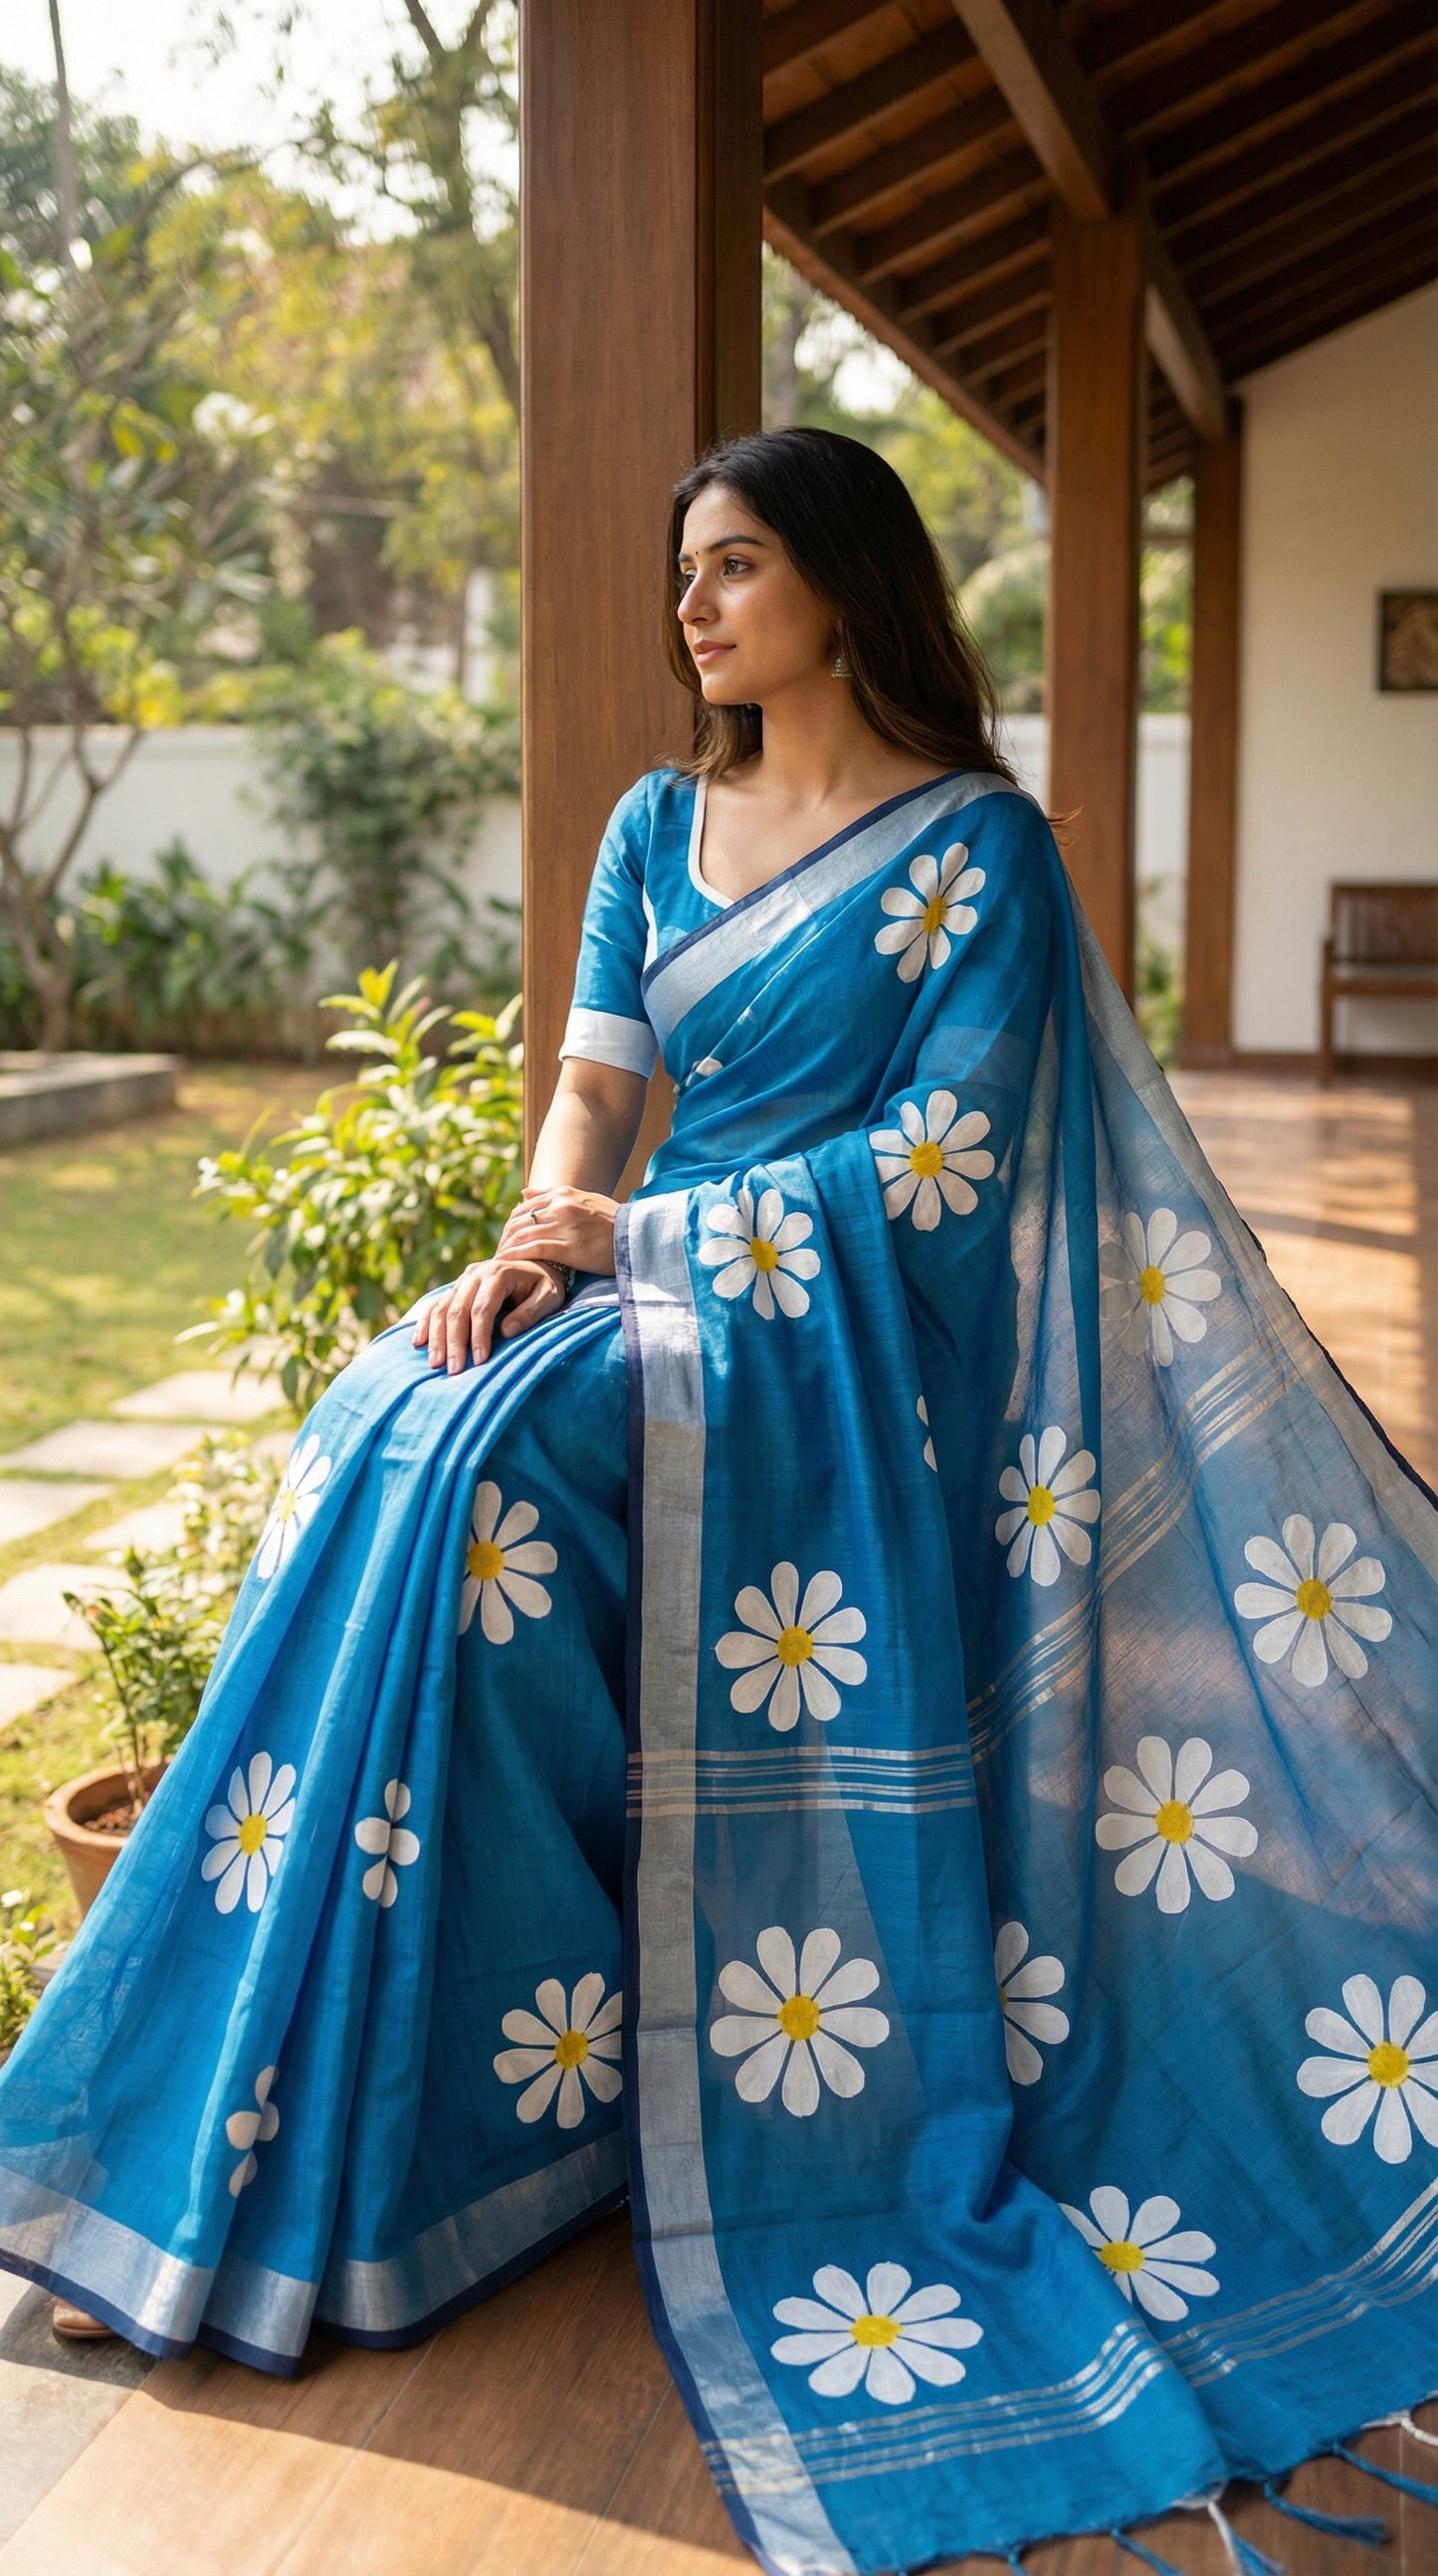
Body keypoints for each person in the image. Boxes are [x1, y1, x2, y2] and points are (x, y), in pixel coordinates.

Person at [2, 429, 1434, 2576]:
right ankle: (385, 2101)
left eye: (737, 565)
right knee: (387, 1428)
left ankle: (519, 2084)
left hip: (835, 1356)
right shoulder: (656, 823)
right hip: (642, 1273)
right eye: (687, 569)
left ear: (844, 587)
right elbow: (593, 1086)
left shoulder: (980, 855)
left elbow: (947, 1179)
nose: (693, 607)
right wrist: (534, 1227)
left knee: (486, 1483)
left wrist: (653, 1253)